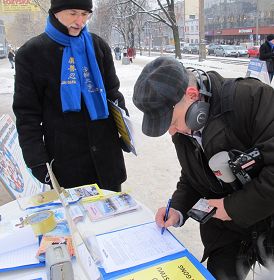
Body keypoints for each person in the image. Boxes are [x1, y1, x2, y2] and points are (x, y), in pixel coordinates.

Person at [133, 56, 274, 279]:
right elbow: (193, 175)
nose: (172, 132)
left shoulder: (251, 98)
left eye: (172, 122)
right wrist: (178, 209)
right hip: (228, 232)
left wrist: (233, 207)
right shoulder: (184, 128)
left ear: (192, 95)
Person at [13, 0, 128, 192]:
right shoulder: (31, 54)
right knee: (75, 220)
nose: (80, 21)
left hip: (106, 158)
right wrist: (36, 160)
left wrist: (125, 132)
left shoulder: (98, 46)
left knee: (113, 217)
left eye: (85, 14)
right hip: (66, 162)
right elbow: (27, 114)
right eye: (73, 13)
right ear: (56, 12)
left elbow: (113, 94)